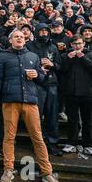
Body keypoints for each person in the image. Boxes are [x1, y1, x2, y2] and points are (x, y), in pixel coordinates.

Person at [0, 29, 65, 182]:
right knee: (9, 137)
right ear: (10, 40)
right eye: (16, 36)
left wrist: (37, 76)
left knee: (37, 137)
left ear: (25, 40)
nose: (19, 39)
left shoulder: (33, 56)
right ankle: (8, 169)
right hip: (10, 101)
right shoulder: (2, 56)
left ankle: (47, 173)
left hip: (30, 101)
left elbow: (44, 79)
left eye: (22, 37)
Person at [60, 35, 92, 157]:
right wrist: (68, 59)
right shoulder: (65, 56)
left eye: (79, 43)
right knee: (72, 120)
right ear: (71, 45)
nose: (77, 46)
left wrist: (83, 58)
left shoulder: (91, 55)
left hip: (88, 93)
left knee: (87, 121)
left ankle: (88, 145)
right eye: (74, 44)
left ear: (84, 44)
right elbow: (61, 71)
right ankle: (71, 143)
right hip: (70, 93)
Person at [26, 24, 63, 156]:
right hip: (36, 84)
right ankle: (37, 143)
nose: (44, 33)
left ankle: (52, 143)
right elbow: (25, 63)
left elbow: (60, 66)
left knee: (52, 115)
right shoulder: (29, 46)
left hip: (52, 84)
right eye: (41, 31)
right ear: (36, 32)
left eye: (46, 31)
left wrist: (52, 65)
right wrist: (37, 66)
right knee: (36, 116)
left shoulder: (53, 47)